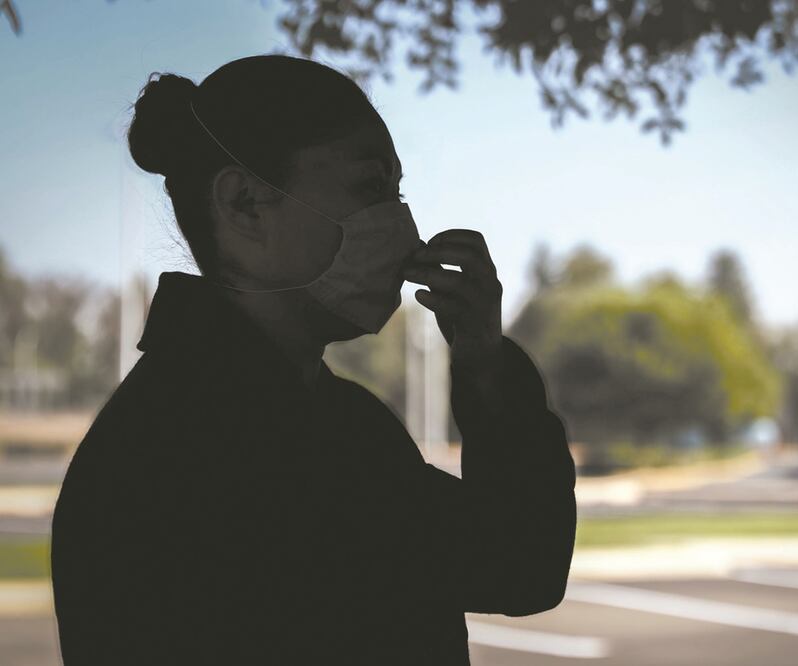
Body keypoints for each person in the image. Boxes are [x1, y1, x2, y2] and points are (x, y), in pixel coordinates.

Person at [49, 54, 577, 665]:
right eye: (370, 187)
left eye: (397, 192)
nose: (404, 230)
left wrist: (486, 365)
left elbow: (519, 567)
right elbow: (514, 564)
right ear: (245, 203)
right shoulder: (178, 446)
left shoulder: (345, 425)